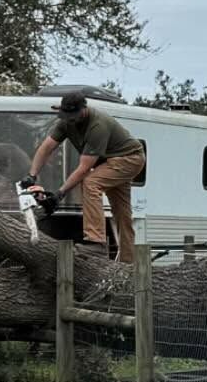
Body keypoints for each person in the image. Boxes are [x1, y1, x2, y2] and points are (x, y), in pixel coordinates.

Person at [29, 94, 146, 263]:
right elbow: (46, 147)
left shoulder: (97, 126)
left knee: (91, 183)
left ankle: (96, 243)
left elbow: (84, 168)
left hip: (130, 159)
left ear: (83, 110)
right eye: (67, 116)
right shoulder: (65, 122)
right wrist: (31, 175)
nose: (70, 120)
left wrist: (59, 194)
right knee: (122, 213)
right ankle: (128, 265)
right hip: (109, 161)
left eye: (73, 116)